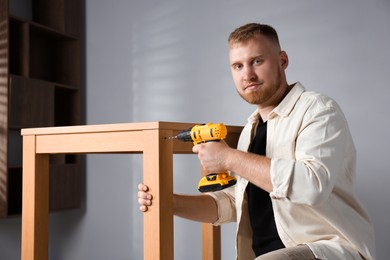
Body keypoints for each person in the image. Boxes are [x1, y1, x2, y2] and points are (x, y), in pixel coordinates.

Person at [137, 23, 376, 260]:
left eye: (257, 61)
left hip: (328, 251)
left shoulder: (318, 110)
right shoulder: (251, 129)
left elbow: (312, 184)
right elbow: (233, 203)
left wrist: (228, 157)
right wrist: (170, 203)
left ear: (282, 61)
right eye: (238, 66)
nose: (248, 75)